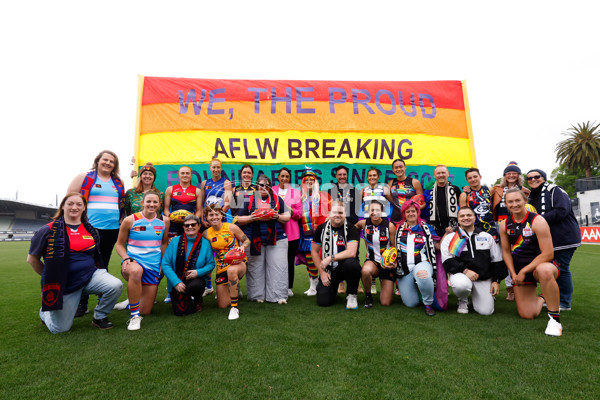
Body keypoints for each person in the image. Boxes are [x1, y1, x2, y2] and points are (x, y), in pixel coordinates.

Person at [27, 193, 123, 333]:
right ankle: (45, 312)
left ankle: (99, 316)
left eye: (79, 204)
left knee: (115, 285)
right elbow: (32, 259)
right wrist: (50, 278)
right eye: (70, 203)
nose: (74, 207)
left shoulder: (90, 230)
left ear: (84, 208)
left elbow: (96, 255)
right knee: (60, 329)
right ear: (63, 206)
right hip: (64, 284)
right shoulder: (48, 229)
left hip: (90, 276)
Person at [67, 150, 125, 317]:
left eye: (111, 161)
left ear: (115, 165)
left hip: (112, 230)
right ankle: (82, 303)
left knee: (103, 265)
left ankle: (103, 300)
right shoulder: (85, 177)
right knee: (85, 266)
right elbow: (70, 199)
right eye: (105, 160)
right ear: (98, 161)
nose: (108, 163)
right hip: (89, 230)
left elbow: (120, 205)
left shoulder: (118, 182)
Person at [499, 188, 563, 336]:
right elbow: (506, 252)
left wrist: (523, 271)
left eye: (517, 200)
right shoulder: (504, 224)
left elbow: (548, 253)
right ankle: (543, 296)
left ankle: (554, 320)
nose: (514, 204)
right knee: (528, 314)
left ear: (525, 201)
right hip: (520, 270)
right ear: (506, 204)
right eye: (510, 202)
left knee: (544, 271)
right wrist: (514, 273)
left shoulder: (537, 220)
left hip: (540, 266)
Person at [526, 169, 581, 311]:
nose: (533, 180)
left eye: (536, 177)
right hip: (550, 239)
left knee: (561, 269)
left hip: (563, 237)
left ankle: (564, 302)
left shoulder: (555, 189)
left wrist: (538, 220)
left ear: (543, 178)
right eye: (529, 178)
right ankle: (553, 297)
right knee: (553, 270)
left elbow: (562, 210)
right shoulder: (533, 195)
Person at [115, 191, 170, 330]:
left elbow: (163, 243)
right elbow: (119, 244)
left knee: (146, 311)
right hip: (133, 263)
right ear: (142, 203)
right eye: (148, 201)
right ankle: (134, 316)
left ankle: (130, 302)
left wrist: (163, 262)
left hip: (153, 266)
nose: (151, 204)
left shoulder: (164, 221)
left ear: (159, 204)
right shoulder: (130, 220)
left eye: (155, 202)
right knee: (136, 271)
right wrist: (126, 258)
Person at [236, 175, 290, 303]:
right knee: (255, 268)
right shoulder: (248, 200)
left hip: (277, 238)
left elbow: (287, 216)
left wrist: (276, 216)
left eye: (266, 185)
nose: (263, 188)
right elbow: (239, 219)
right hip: (253, 239)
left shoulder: (277, 200)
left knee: (278, 267)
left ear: (270, 188)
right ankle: (257, 296)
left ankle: (278, 296)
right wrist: (253, 218)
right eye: (261, 185)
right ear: (256, 187)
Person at [441, 207, 505, 315]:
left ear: (475, 218)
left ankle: (483, 296)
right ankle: (463, 300)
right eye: (462, 216)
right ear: (458, 219)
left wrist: (496, 281)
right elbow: (447, 261)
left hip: (482, 277)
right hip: (461, 275)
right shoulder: (451, 238)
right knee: (462, 285)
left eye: (469, 215)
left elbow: (497, 261)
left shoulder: (486, 237)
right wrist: (465, 271)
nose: (466, 218)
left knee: (486, 312)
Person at [311, 201, 362, 308]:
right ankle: (332, 290)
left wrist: (330, 258)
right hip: (329, 270)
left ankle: (352, 294)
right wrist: (322, 272)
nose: (337, 215)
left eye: (340, 212)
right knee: (323, 302)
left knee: (352, 264)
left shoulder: (351, 228)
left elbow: (351, 252)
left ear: (345, 214)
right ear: (329, 213)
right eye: (335, 212)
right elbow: (314, 251)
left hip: (345, 267)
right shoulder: (321, 228)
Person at [491, 161, 530, 301]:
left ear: (519, 175)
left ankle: (522, 286)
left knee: (519, 256)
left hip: (519, 225)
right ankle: (510, 289)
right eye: (508, 173)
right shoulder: (496, 189)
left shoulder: (525, 190)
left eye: (514, 173)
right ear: (505, 175)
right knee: (504, 257)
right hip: (500, 224)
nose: (511, 175)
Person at [203, 204, 250, 320]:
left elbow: (246, 240)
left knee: (232, 271)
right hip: (221, 268)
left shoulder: (231, 227)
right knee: (222, 305)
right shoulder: (206, 234)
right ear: (207, 218)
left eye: (216, 214)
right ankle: (235, 289)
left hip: (238, 264)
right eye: (211, 215)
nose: (214, 217)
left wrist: (243, 247)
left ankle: (234, 308)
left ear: (221, 215)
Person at [162, 214, 215, 316]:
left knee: (195, 286)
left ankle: (198, 299)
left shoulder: (205, 243)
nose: (190, 227)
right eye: (187, 225)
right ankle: (176, 294)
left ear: (199, 226)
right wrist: (176, 282)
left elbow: (211, 264)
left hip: (196, 280)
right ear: (183, 227)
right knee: (179, 311)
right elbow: (165, 263)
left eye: (193, 224)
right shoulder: (174, 241)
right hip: (177, 281)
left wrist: (198, 272)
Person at [394, 199, 440, 316]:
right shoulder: (398, 228)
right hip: (404, 268)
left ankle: (428, 303)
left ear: (418, 212)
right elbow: (394, 247)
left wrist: (447, 235)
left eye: (413, 211)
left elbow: (437, 246)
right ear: (404, 214)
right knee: (411, 303)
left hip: (422, 263)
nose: (411, 214)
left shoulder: (426, 228)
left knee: (422, 275)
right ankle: (419, 290)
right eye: (407, 211)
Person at [355, 201, 396, 308]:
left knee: (385, 303)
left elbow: (394, 247)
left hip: (386, 265)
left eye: (377, 210)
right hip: (372, 261)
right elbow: (350, 229)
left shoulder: (390, 226)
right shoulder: (363, 224)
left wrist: (393, 263)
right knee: (365, 270)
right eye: (372, 210)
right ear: (368, 212)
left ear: (382, 212)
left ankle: (386, 283)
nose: (374, 213)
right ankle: (368, 296)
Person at [296, 169, 331, 296]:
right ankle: (312, 285)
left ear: (316, 182)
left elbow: (332, 210)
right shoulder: (299, 196)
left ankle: (320, 284)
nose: (309, 182)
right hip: (305, 232)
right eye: (306, 180)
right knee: (308, 259)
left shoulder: (324, 195)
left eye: (312, 180)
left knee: (318, 258)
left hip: (320, 232)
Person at [273, 167, 302, 297]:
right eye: (282, 176)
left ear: (290, 178)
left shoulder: (295, 192)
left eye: (287, 176)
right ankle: (275, 285)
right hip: (274, 232)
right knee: (275, 260)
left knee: (289, 260)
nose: (284, 178)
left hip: (292, 232)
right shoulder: (272, 190)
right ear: (278, 177)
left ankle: (289, 286)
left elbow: (300, 214)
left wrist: (288, 209)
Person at [459, 168, 498, 240]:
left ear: (480, 177)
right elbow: (462, 215)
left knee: (494, 250)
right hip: (474, 229)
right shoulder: (464, 195)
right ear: (467, 180)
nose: (473, 179)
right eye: (470, 178)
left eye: (475, 176)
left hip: (491, 228)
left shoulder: (489, 189)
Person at [164, 166, 202, 238]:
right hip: (173, 224)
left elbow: (199, 210)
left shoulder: (197, 191)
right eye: (182, 173)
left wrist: (193, 220)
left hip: (190, 225)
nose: (185, 175)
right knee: (173, 244)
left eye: (187, 173)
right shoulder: (170, 189)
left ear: (191, 175)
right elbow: (166, 209)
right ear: (178, 175)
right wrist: (170, 217)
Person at [387, 159, 423, 225]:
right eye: (396, 168)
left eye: (401, 167)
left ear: (405, 167)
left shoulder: (414, 182)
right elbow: (391, 200)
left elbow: (422, 203)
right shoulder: (390, 183)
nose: (398, 169)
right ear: (393, 170)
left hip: (411, 219)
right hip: (396, 218)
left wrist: (412, 210)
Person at [428, 164, 461, 235]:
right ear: (434, 176)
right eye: (438, 173)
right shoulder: (429, 191)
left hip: (453, 228)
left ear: (448, 174)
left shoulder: (455, 189)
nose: (441, 175)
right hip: (434, 229)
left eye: (443, 172)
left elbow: (461, 208)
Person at [200, 157, 233, 226]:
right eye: (214, 167)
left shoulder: (226, 183)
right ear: (210, 168)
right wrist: (203, 220)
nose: (216, 170)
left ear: (221, 168)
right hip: (208, 220)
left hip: (222, 219)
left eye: (218, 167)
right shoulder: (204, 183)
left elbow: (227, 205)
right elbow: (201, 204)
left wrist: (217, 218)